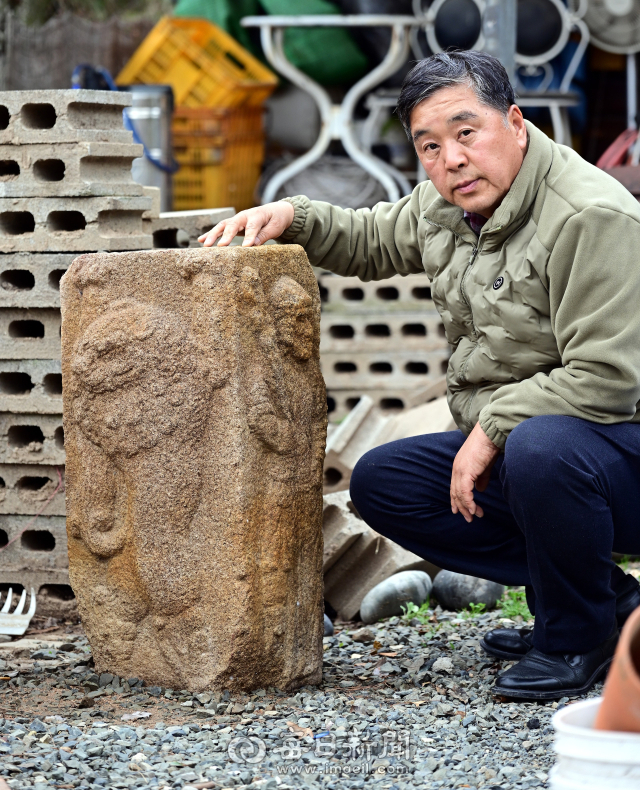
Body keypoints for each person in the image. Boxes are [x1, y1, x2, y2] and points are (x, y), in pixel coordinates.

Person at [199, 50, 640, 700]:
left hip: (616, 453)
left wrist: (490, 430)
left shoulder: (588, 215)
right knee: (387, 482)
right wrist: (291, 216)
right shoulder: (452, 205)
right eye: (428, 146)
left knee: (540, 449)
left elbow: (609, 378)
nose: (451, 159)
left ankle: (576, 638)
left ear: (515, 123)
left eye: (466, 133)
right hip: (547, 454)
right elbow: (374, 238)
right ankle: (598, 604)